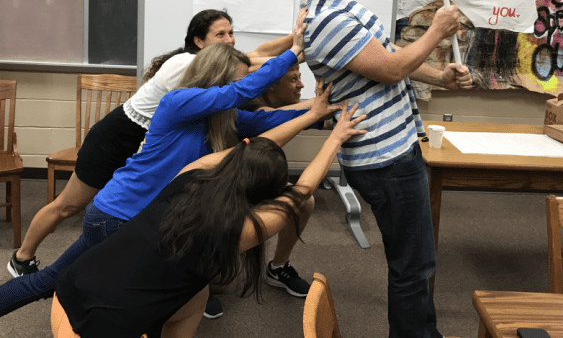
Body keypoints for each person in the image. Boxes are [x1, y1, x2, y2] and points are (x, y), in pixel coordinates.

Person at [0, 9, 322, 319]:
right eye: (232, 85)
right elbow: (240, 91)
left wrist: (318, 110)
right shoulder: (177, 103)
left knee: (63, 282)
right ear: (215, 79)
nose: (239, 93)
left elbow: (269, 121)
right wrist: (293, 53)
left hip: (135, 216)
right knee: (107, 289)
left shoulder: (223, 117)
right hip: (118, 216)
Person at [277, 0, 473, 338]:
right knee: (413, 266)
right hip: (384, 159)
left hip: (394, 150)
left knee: (414, 263)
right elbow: (388, 68)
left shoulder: (338, 7)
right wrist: (437, 29)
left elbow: (387, 59)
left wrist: (440, 76)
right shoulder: (325, 20)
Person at [50, 95, 366, 338]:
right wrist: (335, 138)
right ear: (265, 193)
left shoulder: (192, 173)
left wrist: (315, 116)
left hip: (68, 290)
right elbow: (303, 190)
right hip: (90, 329)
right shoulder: (241, 228)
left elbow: (252, 149)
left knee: (196, 292)